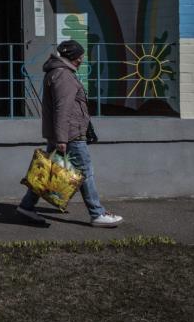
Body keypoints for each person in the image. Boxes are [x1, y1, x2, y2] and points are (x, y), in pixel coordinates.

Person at [16, 39, 123, 228]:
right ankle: (97, 214)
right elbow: (62, 109)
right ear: (75, 58)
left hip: (64, 133)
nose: (82, 58)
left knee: (48, 171)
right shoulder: (63, 76)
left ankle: (26, 206)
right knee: (85, 172)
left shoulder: (58, 72)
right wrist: (62, 139)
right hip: (70, 135)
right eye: (81, 55)